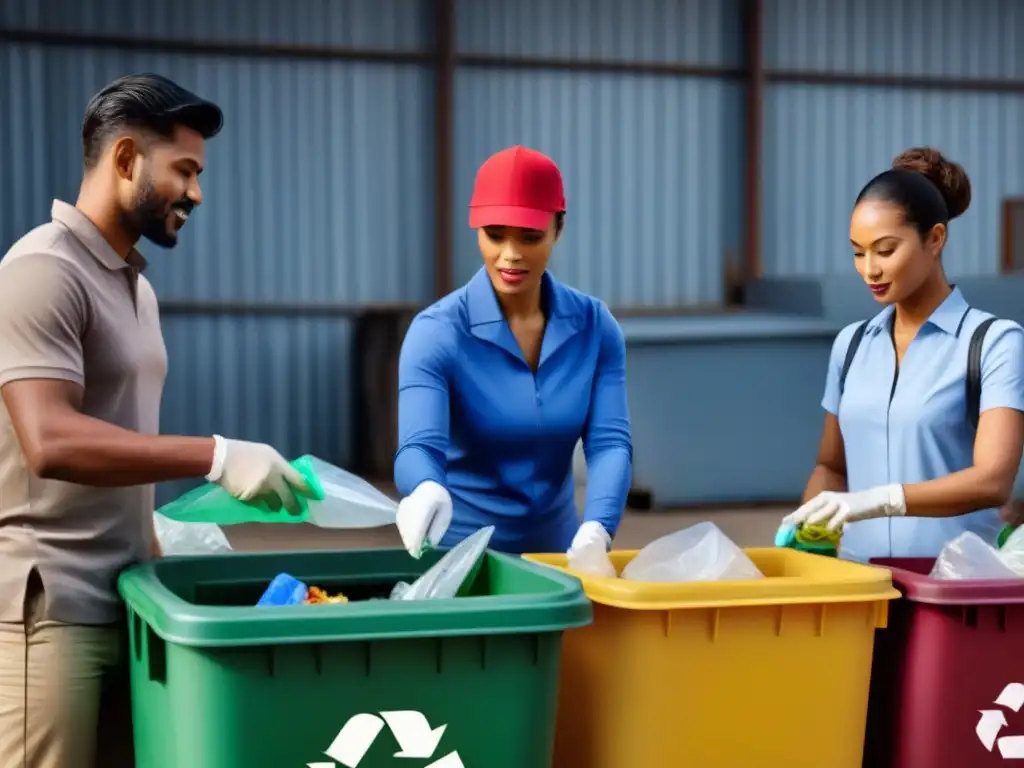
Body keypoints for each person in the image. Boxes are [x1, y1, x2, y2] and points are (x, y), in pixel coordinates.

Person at [0, 73, 315, 768]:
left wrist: (160, 561)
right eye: (185, 170)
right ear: (124, 160)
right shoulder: (41, 271)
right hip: (50, 612)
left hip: (129, 601)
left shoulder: (135, 288)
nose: (196, 192)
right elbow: (49, 440)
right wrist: (215, 455)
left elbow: (125, 436)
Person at [392, 145, 632, 571]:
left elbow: (609, 443)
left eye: (530, 236)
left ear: (559, 229)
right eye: (495, 234)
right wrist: (425, 487)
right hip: (461, 563)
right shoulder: (437, 333)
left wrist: (599, 527)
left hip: (559, 558)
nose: (510, 254)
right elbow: (418, 446)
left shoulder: (595, 328)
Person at [783, 147, 1024, 561]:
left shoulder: (993, 343)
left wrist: (881, 499)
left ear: (935, 238)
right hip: (861, 588)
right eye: (858, 252)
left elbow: (992, 482)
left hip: (955, 590)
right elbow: (832, 467)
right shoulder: (852, 345)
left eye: (886, 249)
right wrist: (808, 534)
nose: (869, 270)